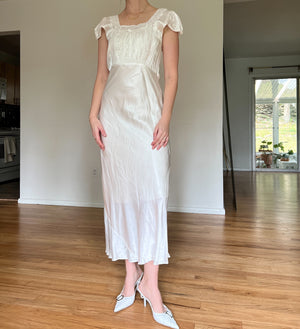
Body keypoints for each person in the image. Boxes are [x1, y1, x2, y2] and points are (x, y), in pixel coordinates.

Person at [89, 1, 183, 328]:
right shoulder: (106, 26)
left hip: (148, 115)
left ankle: (151, 285)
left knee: (154, 191)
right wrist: (93, 114)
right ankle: (131, 277)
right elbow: (102, 76)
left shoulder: (165, 20)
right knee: (121, 194)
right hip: (114, 119)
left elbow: (170, 76)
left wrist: (165, 118)